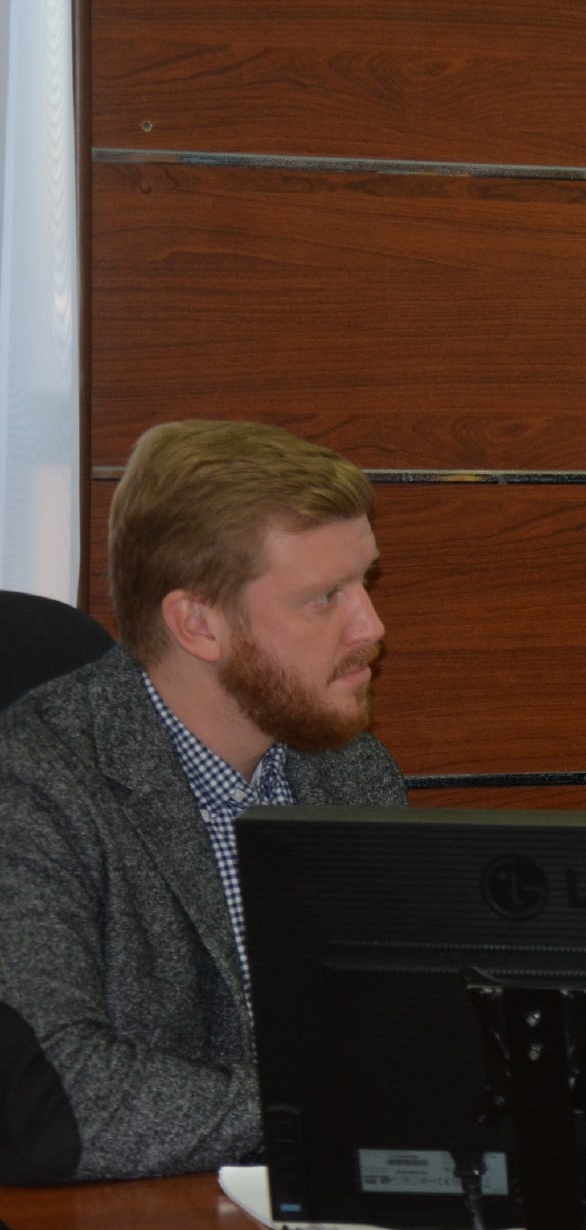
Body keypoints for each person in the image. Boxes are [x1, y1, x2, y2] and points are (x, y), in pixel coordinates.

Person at [0, 422, 404, 1181]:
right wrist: (321, 1103)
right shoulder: (31, 785)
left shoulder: (351, 773)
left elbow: (403, 1036)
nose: (372, 628)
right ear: (198, 624)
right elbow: (52, 1098)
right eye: (326, 598)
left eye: (366, 583)